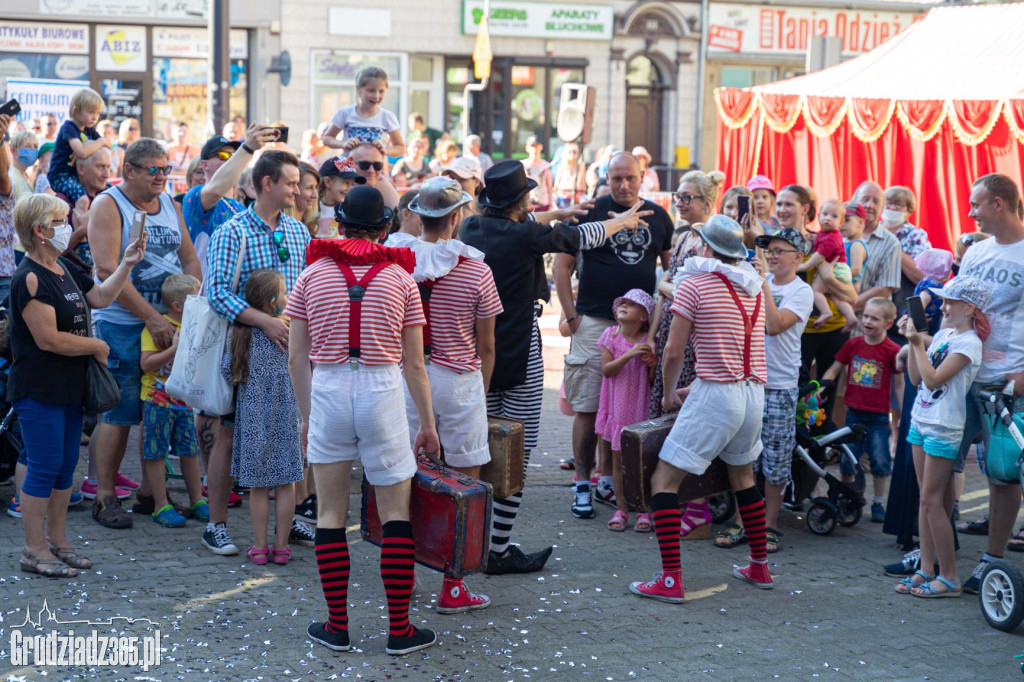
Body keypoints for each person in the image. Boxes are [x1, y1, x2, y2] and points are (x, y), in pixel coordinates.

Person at [462, 160, 651, 572]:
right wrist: (623, 222)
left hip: (474, 352)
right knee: (516, 451)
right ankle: (496, 550)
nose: (531, 203)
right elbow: (578, 238)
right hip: (515, 349)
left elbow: (526, 225)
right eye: (527, 198)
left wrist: (554, 215)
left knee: (474, 447)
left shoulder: (472, 228)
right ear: (518, 204)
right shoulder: (523, 236)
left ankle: (468, 542)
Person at [287, 184, 439, 656]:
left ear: (340, 224)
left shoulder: (312, 276)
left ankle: (337, 627)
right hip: (381, 389)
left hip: (330, 387)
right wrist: (428, 425)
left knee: (331, 514)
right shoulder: (400, 280)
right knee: (396, 513)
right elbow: (415, 364)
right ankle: (400, 630)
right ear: (386, 228)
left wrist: (307, 415)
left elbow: (297, 356)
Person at [630, 215, 774, 602]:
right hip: (751, 394)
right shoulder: (755, 286)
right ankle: (759, 565)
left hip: (717, 397)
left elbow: (674, 350)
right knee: (743, 477)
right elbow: (739, 348)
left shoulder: (694, 283)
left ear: (706, 246)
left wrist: (670, 392)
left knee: (664, 481)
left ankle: (671, 580)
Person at [10, 193, 142, 577]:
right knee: (44, 465)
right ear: (40, 230)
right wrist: (97, 345)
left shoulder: (62, 266)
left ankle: (59, 540)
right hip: (40, 388)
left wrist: (126, 264)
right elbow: (48, 338)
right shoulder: (30, 276)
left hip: (70, 386)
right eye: (60, 221)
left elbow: (99, 296)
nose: (69, 227)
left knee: (66, 466)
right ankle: (34, 549)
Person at [398, 176, 503, 612]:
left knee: (404, 477)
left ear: (419, 217)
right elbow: (488, 346)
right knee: (466, 480)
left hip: (410, 378)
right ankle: (453, 586)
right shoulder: (477, 269)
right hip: (459, 380)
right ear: (457, 217)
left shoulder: (399, 263)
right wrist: (483, 390)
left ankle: (401, 575)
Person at [87, 138, 202, 530]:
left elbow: (188, 257)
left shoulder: (170, 203)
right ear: (130, 169)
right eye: (152, 169)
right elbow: (105, 269)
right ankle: (104, 496)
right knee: (119, 413)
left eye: (166, 169)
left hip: (166, 322)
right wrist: (152, 317)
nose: (161, 177)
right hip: (123, 323)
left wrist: (193, 303)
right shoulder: (109, 204)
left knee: (159, 409)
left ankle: (151, 495)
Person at [202, 149, 311, 555]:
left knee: (289, 434)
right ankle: (217, 523)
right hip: (245, 350)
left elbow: (305, 289)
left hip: (289, 354)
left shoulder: (299, 232)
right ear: (268, 184)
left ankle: (286, 523)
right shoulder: (233, 231)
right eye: (291, 183)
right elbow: (216, 293)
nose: (298, 190)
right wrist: (264, 321)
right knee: (228, 435)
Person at [554, 152, 673, 519]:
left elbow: (669, 275)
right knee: (589, 407)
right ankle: (583, 484)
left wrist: (655, 330)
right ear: (606, 178)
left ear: (643, 178)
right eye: (616, 178)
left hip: (639, 331)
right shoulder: (591, 210)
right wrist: (573, 316)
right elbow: (561, 265)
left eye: (630, 178)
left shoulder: (659, 217)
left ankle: (613, 481)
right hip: (593, 322)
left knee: (626, 408)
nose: (623, 185)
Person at [953, 174, 1024, 593]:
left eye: (976, 203)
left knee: (1001, 476)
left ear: (999, 204)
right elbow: (958, 306)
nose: (970, 211)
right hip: (963, 374)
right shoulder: (977, 250)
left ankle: (992, 561)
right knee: (942, 467)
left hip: (1007, 385)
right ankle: (936, 555)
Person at [896, 276, 987, 598]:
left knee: (933, 503)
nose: (943, 307)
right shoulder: (947, 334)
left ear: (969, 308)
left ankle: (949, 577)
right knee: (926, 500)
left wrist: (918, 343)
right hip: (922, 420)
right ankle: (926, 568)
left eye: (950, 302)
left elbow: (934, 380)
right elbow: (917, 377)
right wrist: (913, 343)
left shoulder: (970, 344)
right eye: (943, 300)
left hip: (944, 426)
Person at [647, 169, 725, 539]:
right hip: (669, 336)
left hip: (694, 346)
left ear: (707, 204)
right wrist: (650, 336)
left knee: (687, 429)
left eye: (686, 197)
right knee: (669, 426)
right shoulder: (682, 239)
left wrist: (666, 286)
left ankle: (696, 510)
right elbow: (666, 292)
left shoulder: (709, 244)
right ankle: (675, 504)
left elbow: (684, 293)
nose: (679, 202)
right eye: (677, 196)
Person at [224, 269, 303, 565]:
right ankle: (281, 547)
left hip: (253, 418)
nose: (288, 296)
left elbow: (225, 371)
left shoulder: (239, 332)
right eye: (285, 292)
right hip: (287, 414)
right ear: (273, 303)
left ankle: (259, 547)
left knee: (257, 486)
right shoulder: (291, 330)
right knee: (286, 482)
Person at [750, 228, 814, 552]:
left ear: (798, 257)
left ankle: (770, 526)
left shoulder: (802, 292)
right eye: (769, 250)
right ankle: (742, 522)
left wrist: (761, 282)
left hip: (779, 386)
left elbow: (774, 326)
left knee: (775, 462)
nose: (772, 256)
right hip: (749, 382)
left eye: (779, 250)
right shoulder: (760, 283)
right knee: (742, 459)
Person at [820, 298, 901, 522]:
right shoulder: (854, 344)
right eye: (865, 316)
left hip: (878, 416)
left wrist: (903, 411)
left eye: (874, 318)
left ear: (888, 323)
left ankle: (877, 502)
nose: (867, 321)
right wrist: (821, 388)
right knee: (848, 458)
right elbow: (834, 369)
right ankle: (848, 497)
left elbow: (900, 383)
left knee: (880, 459)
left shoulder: (892, 350)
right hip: (853, 412)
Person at [138, 274, 206, 528]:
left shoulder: (196, 325)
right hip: (157, 402)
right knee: (155, 453)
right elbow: (146, 364)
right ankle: (160, 505)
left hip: (184, 402)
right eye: (196, 297)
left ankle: (197, 500)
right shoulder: (156, 327)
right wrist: (173, 349)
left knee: (189, 451)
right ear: (178, 306)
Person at [596, 289, 655, 532]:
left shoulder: (649, 342)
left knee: (642, 462)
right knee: (618, 460)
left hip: (640, 408)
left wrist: (651, 363)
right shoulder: (610, 335)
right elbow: (607, 370)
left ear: (643, 317)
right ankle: (621, 508)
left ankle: (643, 510)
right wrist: (630, 354)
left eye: (632, 305)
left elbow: (652, 380)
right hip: (617, 408)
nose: (624, 306)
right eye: (623, 302)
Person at [182, 127, 276, 280]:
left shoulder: (242, 208)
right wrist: (247, 148)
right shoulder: (195, 195)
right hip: (203, 294)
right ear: (204, 164)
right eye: (224, 156)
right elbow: (215, 191)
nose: (232, 160)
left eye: (234, 156)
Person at [322, 66, 405, 157]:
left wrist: (386, 150)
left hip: (375, 169)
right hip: (349, 167)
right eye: (371, 90)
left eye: (381, 91)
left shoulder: (387, 117)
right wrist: (343, 144)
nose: (376, 96)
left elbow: (400, 147)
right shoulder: (345, 113)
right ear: (358, 88)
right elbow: (327, 138)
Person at [799, 200, 855, 329]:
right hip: (840, 269)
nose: (828, 218)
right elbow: (822, 239)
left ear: (841, 222)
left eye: (834, 216)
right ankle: (850, 317)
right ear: (819, 216)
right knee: (835, 295)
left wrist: (803, 266)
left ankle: (826, 312)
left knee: (815, 291)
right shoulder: (827, 234)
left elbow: (818, 256)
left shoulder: (831, 237)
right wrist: (815, 238)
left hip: (835, 269)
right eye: (825, 214)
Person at [47, 88, 109, 202]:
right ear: (76, 111)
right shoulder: (69, 128)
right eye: (91, 112)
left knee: (110, 191)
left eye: (98, 113)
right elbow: (81, 152)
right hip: (60, 176)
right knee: (83, 198)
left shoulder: (89, 129)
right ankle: (82, 217)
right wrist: (100, 142)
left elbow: (107, 146)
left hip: (77, 176)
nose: (95, 117)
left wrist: (101, 143)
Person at [316, 156, 367, 239]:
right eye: (346, 183)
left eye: (352, 184)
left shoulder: (349, 214)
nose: (350, 189)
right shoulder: (310, 207)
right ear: (328, 182)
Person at [350, 143, 400, 209]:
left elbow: (396, 216)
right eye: (364, 165)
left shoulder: (385, 189)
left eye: (377, 165)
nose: (371, 170)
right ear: (350, 164)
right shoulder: (339, 187)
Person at [522, 136, 553, 212]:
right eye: (532, 146)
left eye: (537, 146)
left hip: (543, 204)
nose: (535, 149)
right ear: (527, 148)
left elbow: (549, 185)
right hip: (527, 204)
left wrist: (551, 203)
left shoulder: (546, 165)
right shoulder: (522, 165)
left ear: (541, 147)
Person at [290, 162, 321, 237]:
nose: (315, 195)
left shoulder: (311, 226)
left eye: (316, 187)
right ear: (294, 189)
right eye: (309, 188)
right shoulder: (280, 227)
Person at [553, 142, 587, 209]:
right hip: (562, 197)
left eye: (574, 152)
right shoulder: (561, 167)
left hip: (576, 197)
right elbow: (556, 184)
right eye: (570, 152)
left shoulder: (580, 167)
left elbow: (582, 185)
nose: (572, 154)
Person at [9, 132, 39, 200]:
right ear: (13, 151)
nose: (33, 149)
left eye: (35, 146)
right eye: (28, 146)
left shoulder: (26, 175)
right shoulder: (11, 177)